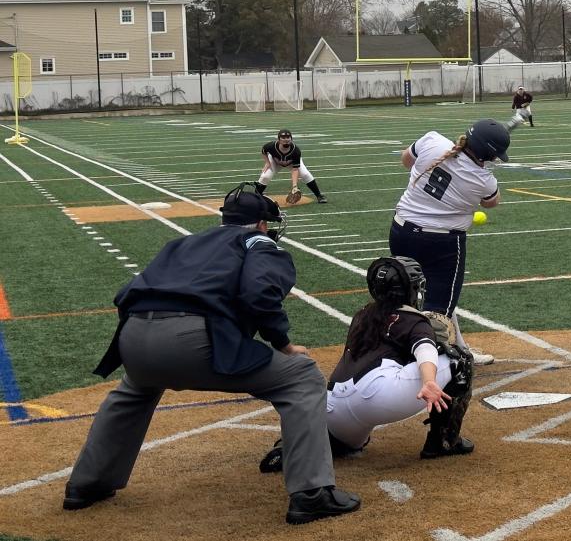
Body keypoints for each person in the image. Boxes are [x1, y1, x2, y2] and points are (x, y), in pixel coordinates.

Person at [63, 182, 360, 525]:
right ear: (263, 224)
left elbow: (125, 292)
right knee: (304, 377)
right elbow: (260, 293)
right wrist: (283, 344)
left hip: (134, 336)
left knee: (133, 391)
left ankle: (86, 484)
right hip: (193, 340)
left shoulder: (183, 243)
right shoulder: (258, 243)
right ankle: (311, 493)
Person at [257, 257, 474, 472]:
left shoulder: (361, 314)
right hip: (378, 395)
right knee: (460, 359)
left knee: (348, 446)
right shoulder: (414, 320)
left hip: (332, 405)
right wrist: (428, 381)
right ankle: (443, 441)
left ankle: (298, 448)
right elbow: (424, 350)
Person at [388, 119, 509, 366]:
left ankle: (459, 347)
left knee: (408, 297)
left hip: (401, 230)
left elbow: (406, 160)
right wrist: (482, 170)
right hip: (441, 243)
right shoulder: (484, 180)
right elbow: (491, 202)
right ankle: (428, 366)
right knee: (437, 309)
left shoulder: (433, 140)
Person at [257, 128, 326, 204]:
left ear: (291, 139)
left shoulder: (295, 151)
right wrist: (267, 162)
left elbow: (295, 170)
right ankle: (257, 194)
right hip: (275, 162)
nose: (286, 139)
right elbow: (263, 151)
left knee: (305, 174)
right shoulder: (271, 146)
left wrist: (294, 186)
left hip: (291, 163)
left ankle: (319, 195)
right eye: (283, 138)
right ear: (279, 139)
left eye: (288, 137)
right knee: (265, 176)